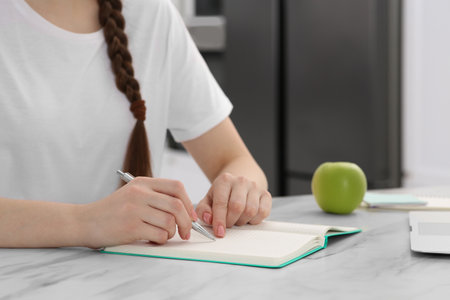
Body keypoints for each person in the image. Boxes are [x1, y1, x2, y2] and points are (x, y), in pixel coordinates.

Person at [0, 0, 272, 249]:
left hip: (132, 282)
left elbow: (236, 160)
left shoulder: (152, 13)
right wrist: (85, 222)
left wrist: (239, 192)